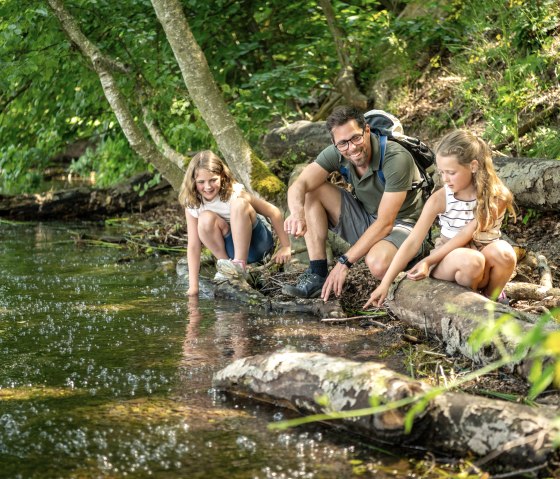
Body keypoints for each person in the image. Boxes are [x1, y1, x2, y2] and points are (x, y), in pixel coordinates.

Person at [283, 105, 426, 300]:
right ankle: (317, 274)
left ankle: (410, 259)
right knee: (311, 191)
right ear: (335, 144)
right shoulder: (338, 152)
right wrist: (297, 212)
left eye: (356, 138)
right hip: (367, 219)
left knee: (377, 263)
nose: (352, 148)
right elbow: (300, 184)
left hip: (404, 227)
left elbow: (386, 223)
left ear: (367, 131)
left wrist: (344, 262)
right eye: (343, 144)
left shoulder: (396, 158)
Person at [364, 129, 516, 309]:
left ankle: (492, 298)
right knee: (472, 261)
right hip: (449, 261)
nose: (445, 179)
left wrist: (425, 261)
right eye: (442, 172)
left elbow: (467, 234)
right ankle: (471, 303)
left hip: (483, 263)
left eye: (451, 172)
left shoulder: (496, 197)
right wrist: (385, 282)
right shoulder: (440, 198)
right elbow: (412, 242)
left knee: (504, 252)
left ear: (473, 166)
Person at [179, 150, 291, 296]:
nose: (208, 186)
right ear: (193, 181)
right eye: (201, 182)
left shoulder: (234, 193)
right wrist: (193, 287)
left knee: (239, 204)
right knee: (205, 218)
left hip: (259, 243)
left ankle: (239, 266)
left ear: (222, 176)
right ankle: (227, 267)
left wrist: (286, 246)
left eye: (213, 180)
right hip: (230, 248)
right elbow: (193, 245)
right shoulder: (193, 204)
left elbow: (273, 212)